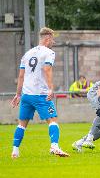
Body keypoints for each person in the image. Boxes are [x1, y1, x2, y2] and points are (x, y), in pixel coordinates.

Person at [10, 27, 69, 158]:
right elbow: (47, 69)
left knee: (22, 124)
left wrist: (18, 94)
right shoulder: (49, 53)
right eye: (52, 39)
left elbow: (21, 76)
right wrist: (50, 88)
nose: (53, 42)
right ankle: (54, 146)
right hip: (40, 94)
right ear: (47, 38)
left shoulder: (28, 53)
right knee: (53, 120)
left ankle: (15, 151)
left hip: (26, 95)